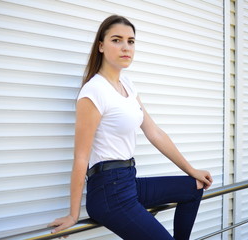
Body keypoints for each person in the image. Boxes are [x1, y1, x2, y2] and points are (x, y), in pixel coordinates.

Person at [48, 15, 213, 240]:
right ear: (101, 46)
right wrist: (73, 214)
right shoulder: (94, 91)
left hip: (128, 181)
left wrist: (191, 170)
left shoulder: (127, 85)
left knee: (193, 187)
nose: (126, 47)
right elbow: (81, 157)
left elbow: (154, 133)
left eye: (131, 41)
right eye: (117, 40)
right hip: (108, 191)